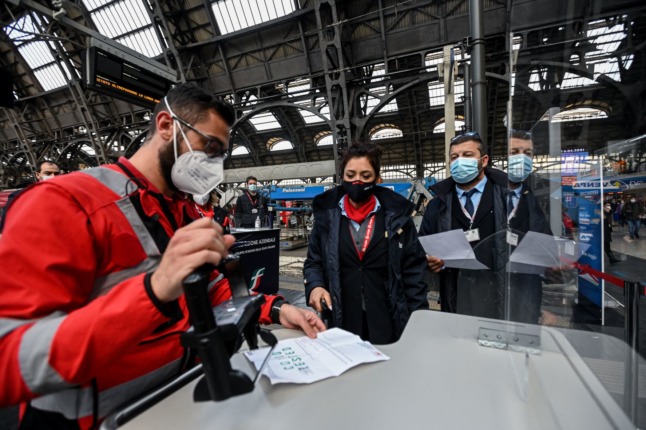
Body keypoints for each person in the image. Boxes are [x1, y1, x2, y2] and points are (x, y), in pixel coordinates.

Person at [0, 83, 324, 429]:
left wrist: (274, 307)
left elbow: (210, 289)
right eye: (209, 147)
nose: (213, 163)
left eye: (220, 154)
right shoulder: (63, 203)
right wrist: (153, 291)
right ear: (167, 126)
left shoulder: (179, 209)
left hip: (171, 402)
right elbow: (10, 361)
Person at [303, 142, 429, 344]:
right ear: (342, 176)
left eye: (366, 176)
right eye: (350, 175)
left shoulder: (399, 219)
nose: (357, 182)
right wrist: (315, 286)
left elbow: (413, 270)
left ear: (377, 178)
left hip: (387, 318)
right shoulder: (326, 218)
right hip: (342, 317)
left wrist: (419, 318)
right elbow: (313, 262)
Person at [418, 131, 508, 318]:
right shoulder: (437, 205)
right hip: (455, 296)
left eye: (467, 155)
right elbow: (421, 246)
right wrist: (428, 261)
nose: (460, 161)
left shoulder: (510, 198)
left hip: (502, 297)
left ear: (484, 160)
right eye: (454, 157)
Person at [507, 130, 554, 323]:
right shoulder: (488, 194)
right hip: (495, 287)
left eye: (527, 153)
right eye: (514, 151)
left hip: (527, 287)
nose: (521, 157)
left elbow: (544, 239)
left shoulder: (532, 197)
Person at [0, 160, 62, 232]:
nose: (53, 176)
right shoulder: (19, 196)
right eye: (48, 173)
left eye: (56, 173)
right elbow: (6, 225)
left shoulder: (66, 195)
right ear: (38, 175)